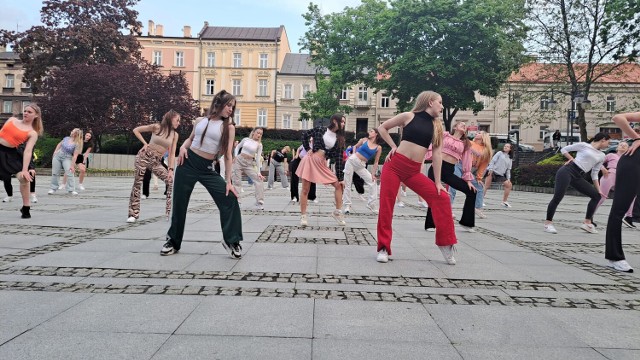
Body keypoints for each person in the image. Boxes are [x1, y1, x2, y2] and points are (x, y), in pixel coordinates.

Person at [376, 91, 456, 264]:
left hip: (413, 171)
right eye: (440, 102)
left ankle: (446, 244)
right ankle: (383, 247)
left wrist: (437, 182)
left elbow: (436, 155)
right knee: (386, 206)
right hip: (395, 166)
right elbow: (383, 128)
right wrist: (393, 146)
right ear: (430, 102)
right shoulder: (408, 116)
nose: (442, 107)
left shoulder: (437, 126)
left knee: (441, 198)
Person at [161, 90, 243, 258]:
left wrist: (228, 182)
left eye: (233, 107)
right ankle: (173, 241)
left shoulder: (228, 127)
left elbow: (228, 155)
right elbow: (190, 140)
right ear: (218, 104)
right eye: (228, 105)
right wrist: (183, 147)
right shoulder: (200, 120)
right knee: (180, 203)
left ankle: (231, 240)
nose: (230, 110)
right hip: (188, 164)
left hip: (207, 168)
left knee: (229, 198)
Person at [544, 133, 610, 234]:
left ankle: (587, 223)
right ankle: (548, 224)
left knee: (596, 196)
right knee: (558, 197)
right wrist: (571, 159)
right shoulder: (584, 145)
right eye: (608, 142)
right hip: (567, 171)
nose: (608, 145)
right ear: (603, 140)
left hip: (578, 176)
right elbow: (564, 149)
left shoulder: (602, 155)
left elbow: (594, 174)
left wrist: (599, 190)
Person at [126, 110, 180, 223]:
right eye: (177, 120)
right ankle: (133, 214)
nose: (179, 123)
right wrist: (145, 143)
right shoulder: (157, 127)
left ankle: (168, 213)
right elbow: (136, 130)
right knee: (137, 183)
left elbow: (172, 153)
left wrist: (170, 169)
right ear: (171, 119)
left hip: (156, 161)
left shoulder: (175, 135)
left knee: (170, 181)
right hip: (144, 156)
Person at [424, 120, 477, 233]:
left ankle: (466, 223)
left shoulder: (466, 144)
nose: (463, 125)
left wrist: (467, 180)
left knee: (472, 192)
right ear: (455, 127)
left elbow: (467, 161)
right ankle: (430, 224)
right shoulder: (445, 135)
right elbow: (433, 144)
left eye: (465, 126)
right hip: (436, 168)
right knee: (434, 194)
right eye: (461, 124)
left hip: (448, 171)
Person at [297, 114, 347, 226]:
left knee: (339, 185)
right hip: (311, 160)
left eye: (344, 122)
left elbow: (339, 159)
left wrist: (340, 177)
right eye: (342, 121)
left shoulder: (340, 139)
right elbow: (305, 134)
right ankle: (303, 216)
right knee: (305, 189)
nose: (343, 124)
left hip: (322, 164)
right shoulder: (320, 129)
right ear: (334, 121)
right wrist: (308, 148)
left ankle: (337, 212)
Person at [605, 112, 640, 272]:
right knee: (619, 209)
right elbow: (618, 118)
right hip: (634, 161)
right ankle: (615, 257)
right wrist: (637, 138)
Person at [0, 105, 42, 218]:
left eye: (29, 112)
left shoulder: (32, 133)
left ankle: (26, 207)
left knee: (24, 178)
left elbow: (28, 151)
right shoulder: (11, 119)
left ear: (36, 115)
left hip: (11, 155)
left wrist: (25, 169)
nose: (26, 113)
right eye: (25, 111)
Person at [450, 131, 493, 218]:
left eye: (480, 132)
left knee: (479, 187)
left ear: (484, 137)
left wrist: (479, 178)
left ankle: (477, 208)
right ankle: (448, 208)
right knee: (453, 185)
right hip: (459, 165)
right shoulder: (469, 143)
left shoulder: (486, 151)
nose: (477, 133)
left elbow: (483, 166)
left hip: (468, 170)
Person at [594, 141, 636, 228]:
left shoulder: (630, 158)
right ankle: (590, 216)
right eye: (621, 145)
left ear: (628, 148)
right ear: (617, 148)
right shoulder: (611, 155)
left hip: (624, 178)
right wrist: (602, 168)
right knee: (601, 197)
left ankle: (629, 217)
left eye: (625, 145)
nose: (623, 146)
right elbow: (598, 161)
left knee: (631, 196)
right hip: (610, 175)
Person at [343, 128, 382, 214]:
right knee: (348, 183)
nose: (369, 132)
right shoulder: (364, 140)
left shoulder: (378, 147)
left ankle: (371, 204)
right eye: (369, 131)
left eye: (371, 131)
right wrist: (352, 154)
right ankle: (347, 205)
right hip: (352, 161)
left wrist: (373, 174)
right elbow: (355, 146)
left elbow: (376, 162)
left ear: (376, 134)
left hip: (361, 165)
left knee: (373, 182)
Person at [232, 127, 265, 209]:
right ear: (253, 132)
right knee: (237, 181)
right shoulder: (246, 140)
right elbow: (237, 147)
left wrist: (258, 172)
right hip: (239, 160)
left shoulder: (259, 145)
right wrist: (235, 156)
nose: (259, 135)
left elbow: (257, 159)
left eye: (261, 134)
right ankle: (237, 201)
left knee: (259, 179)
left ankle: (260, 201)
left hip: (249, 163)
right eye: (258, 132)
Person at [48, 128, 83, 196]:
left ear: (76, 134)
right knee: (55, 172)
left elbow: (75, 156)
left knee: (69, 172)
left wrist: (72, 166)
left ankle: (71, 189)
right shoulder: (66, 138)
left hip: (67, 157)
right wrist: (55, 152)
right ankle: (53, 188)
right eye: (72, 130)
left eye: (73, 131)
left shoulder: (77, 144)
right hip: (58, 155)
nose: (71, 132)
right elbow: (59, 144)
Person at [484, 143, 514, 208]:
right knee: (486, 186)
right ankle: (480, 201)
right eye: (505, 146)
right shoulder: (500, 153)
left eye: (507, 146)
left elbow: (508, 169)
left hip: (500, 174)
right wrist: (491, 169)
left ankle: (504, 202)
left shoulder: (510, 158)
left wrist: (508, 178)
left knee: (509, 185)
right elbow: (492, 161)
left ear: (510, 149)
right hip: (492, 171)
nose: (505, 147)